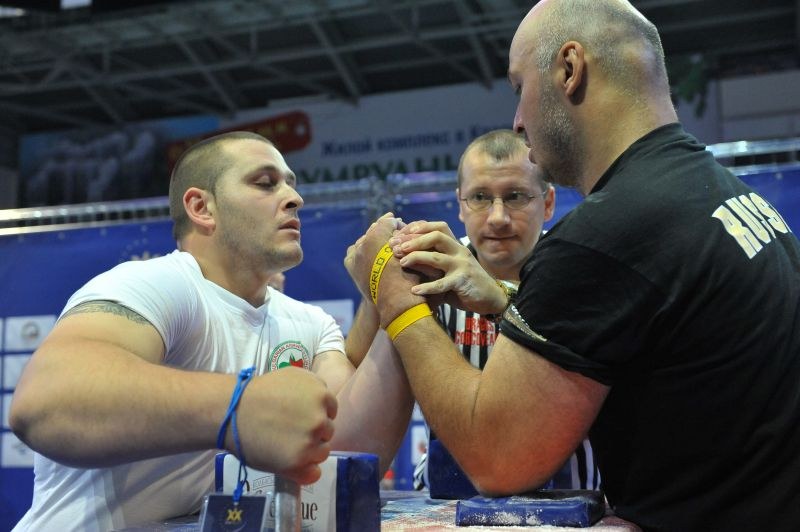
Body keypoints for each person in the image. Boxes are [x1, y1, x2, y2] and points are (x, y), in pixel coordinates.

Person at [343, 1, 800, 530]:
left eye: (520, 87)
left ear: (569, 68)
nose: (518, 120)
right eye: (480, 198)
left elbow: (497, 459)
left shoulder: (612, 232)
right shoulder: (720, 193)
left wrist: (393, 292)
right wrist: (503, 299)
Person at [9, 131, 413, 531]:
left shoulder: (310, 322)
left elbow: (345, 453)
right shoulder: (156, 283)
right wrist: (239, 407)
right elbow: (45, 403)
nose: (295, 198)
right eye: (265, 182)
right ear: (202, 207)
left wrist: (394, 298)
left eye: (291, 184)